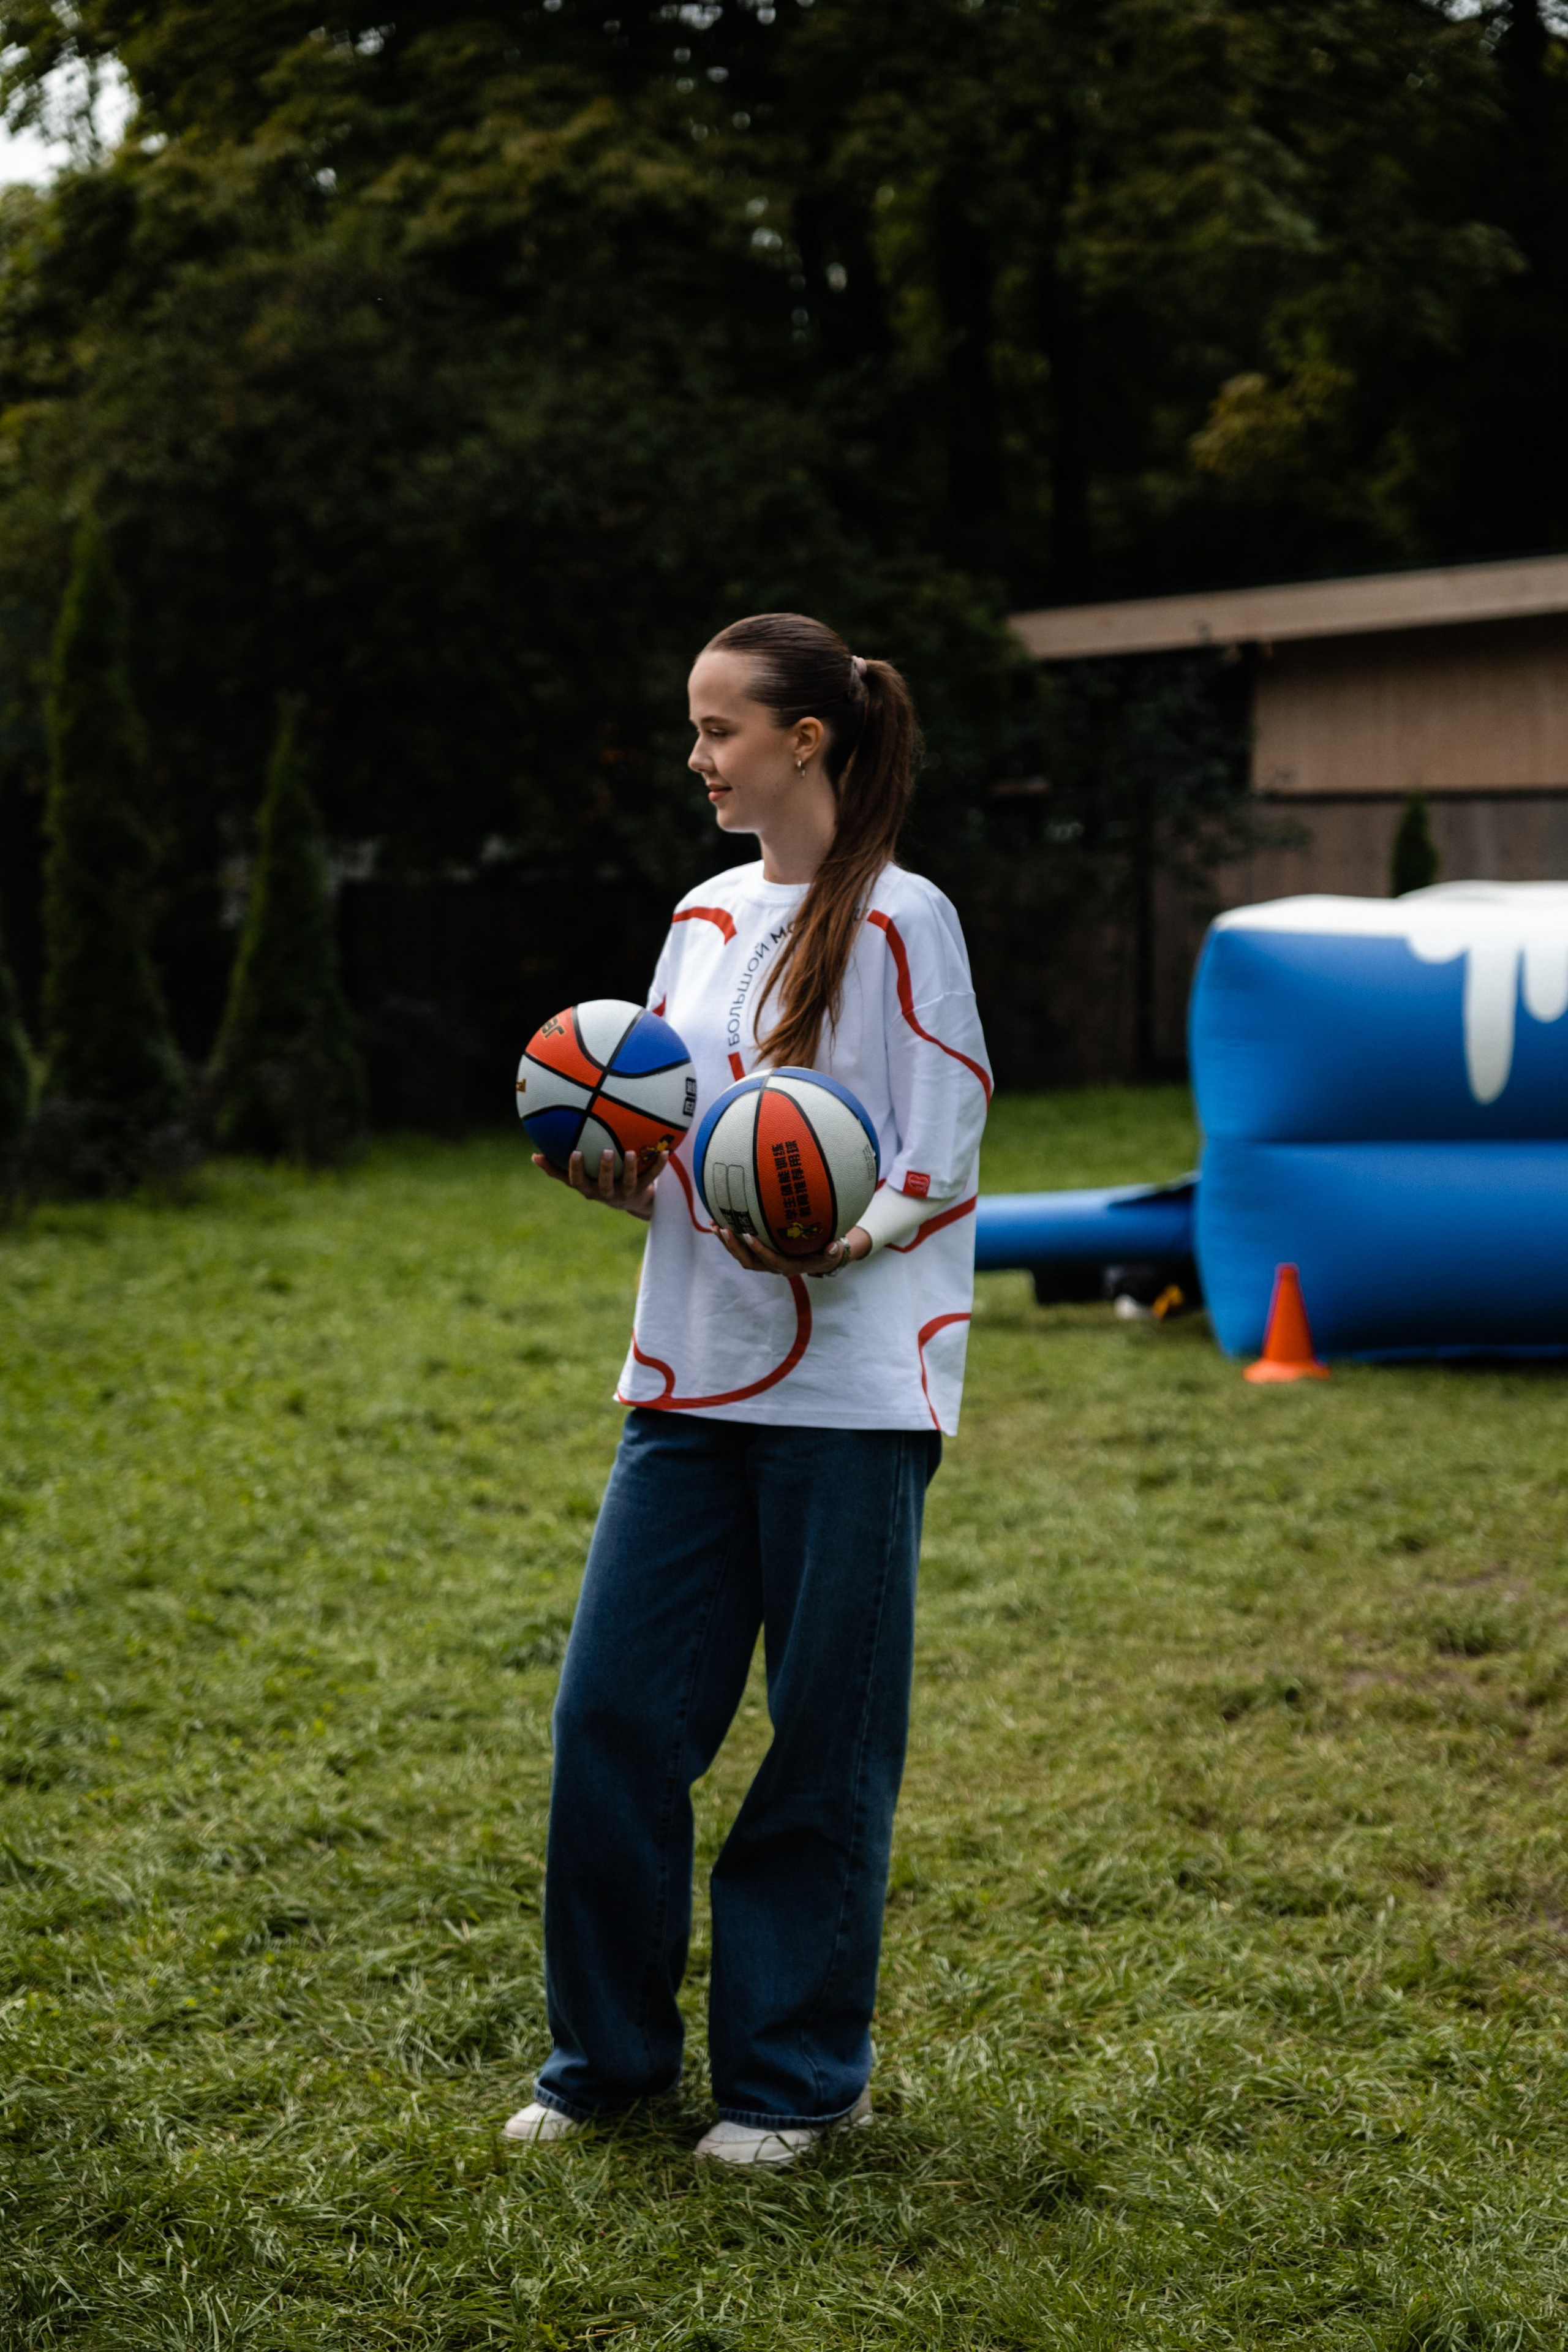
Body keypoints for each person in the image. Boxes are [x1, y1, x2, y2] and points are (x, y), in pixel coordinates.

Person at [504, 612, 991, 2166]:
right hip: (689, 1380)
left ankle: (792, 2083)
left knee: (821, 1745)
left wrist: (862, 1226)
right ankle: (607, 2066)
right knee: (612, 1723)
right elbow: (677, 1131)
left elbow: (944, 1143)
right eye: (695, 729)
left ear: (806, 742)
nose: (698, 758)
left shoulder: (908, 917)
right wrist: (613, 1167)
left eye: (722, 731)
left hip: (851, 1392)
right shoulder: (702, 915)